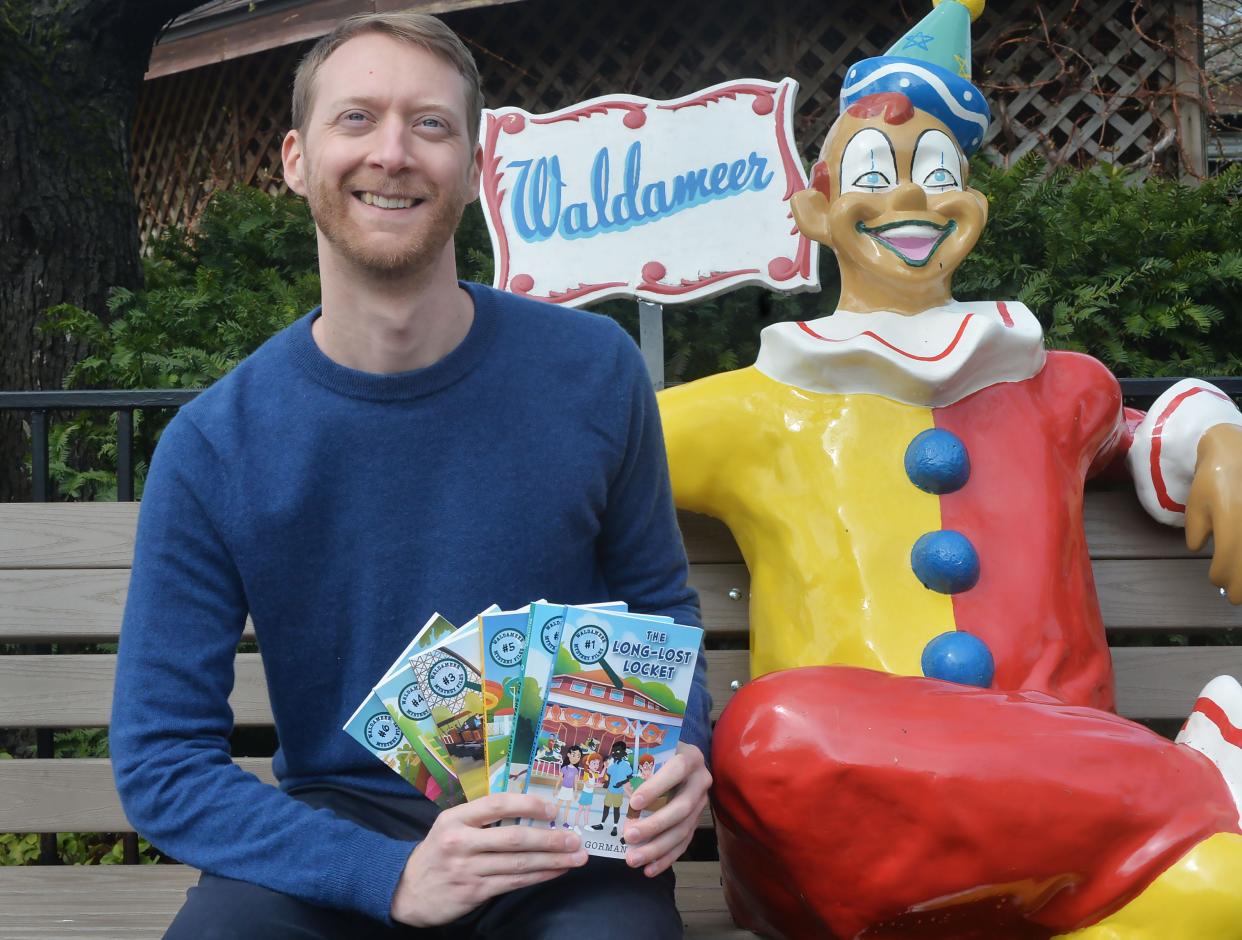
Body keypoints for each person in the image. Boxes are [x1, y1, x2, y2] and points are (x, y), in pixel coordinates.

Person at [110, 12, 711, 939]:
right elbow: (161, 758)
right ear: (296, 159)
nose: (392, 152)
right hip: (333, 845)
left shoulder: (593, 372)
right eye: (356, 119)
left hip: (560, 832)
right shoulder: (213, 447)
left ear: (473, 167)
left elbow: (660, 606)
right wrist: (388, 875)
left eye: (429, 125)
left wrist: (682, 749)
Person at [659, 1, 1242, 937]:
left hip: (1053, 853)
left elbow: (1135, 433)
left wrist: (1216, 437)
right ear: (814, 209)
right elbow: (581, 454)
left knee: (1221, 897)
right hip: (827, 848)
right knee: (774, 735)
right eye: (872, 175)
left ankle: (1172, 827)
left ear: (972, 204)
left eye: (939, 174)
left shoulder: (1051, 389)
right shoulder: (749, 410)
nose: (912, 202)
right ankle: (1193, 789)